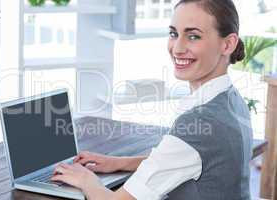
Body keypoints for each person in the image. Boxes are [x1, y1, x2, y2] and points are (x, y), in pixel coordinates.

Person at [51, 0, 253, 199]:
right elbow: (183, 159)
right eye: (174, 34)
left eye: (193, 36)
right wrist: (119, 162)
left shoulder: (200, 124)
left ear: (227, 44)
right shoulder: (230, 97)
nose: (177, 48)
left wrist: (86, 180)